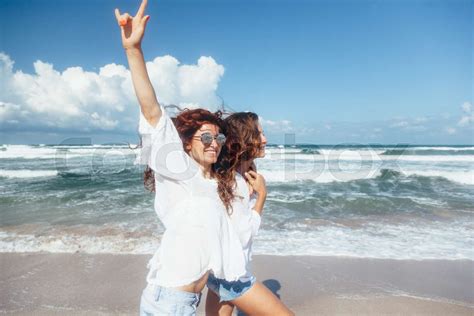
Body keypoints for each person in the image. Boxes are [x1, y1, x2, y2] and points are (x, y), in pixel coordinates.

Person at [114, 1, 247, 314]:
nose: (214, 142)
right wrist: (133, 50)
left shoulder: (214, 180)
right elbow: (151, 111)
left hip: (173, 300)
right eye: (205, 137)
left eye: (218, 136)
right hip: (171, 304)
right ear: (187, 145)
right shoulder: (179, 169)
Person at [206, 113, 294, 315]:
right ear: (244, 140)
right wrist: (262, 196)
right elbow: (243, 236)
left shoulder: (235, 178)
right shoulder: (235, 183)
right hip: (233, 276)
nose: (265, 139)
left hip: (219, 271)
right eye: (259, 134)